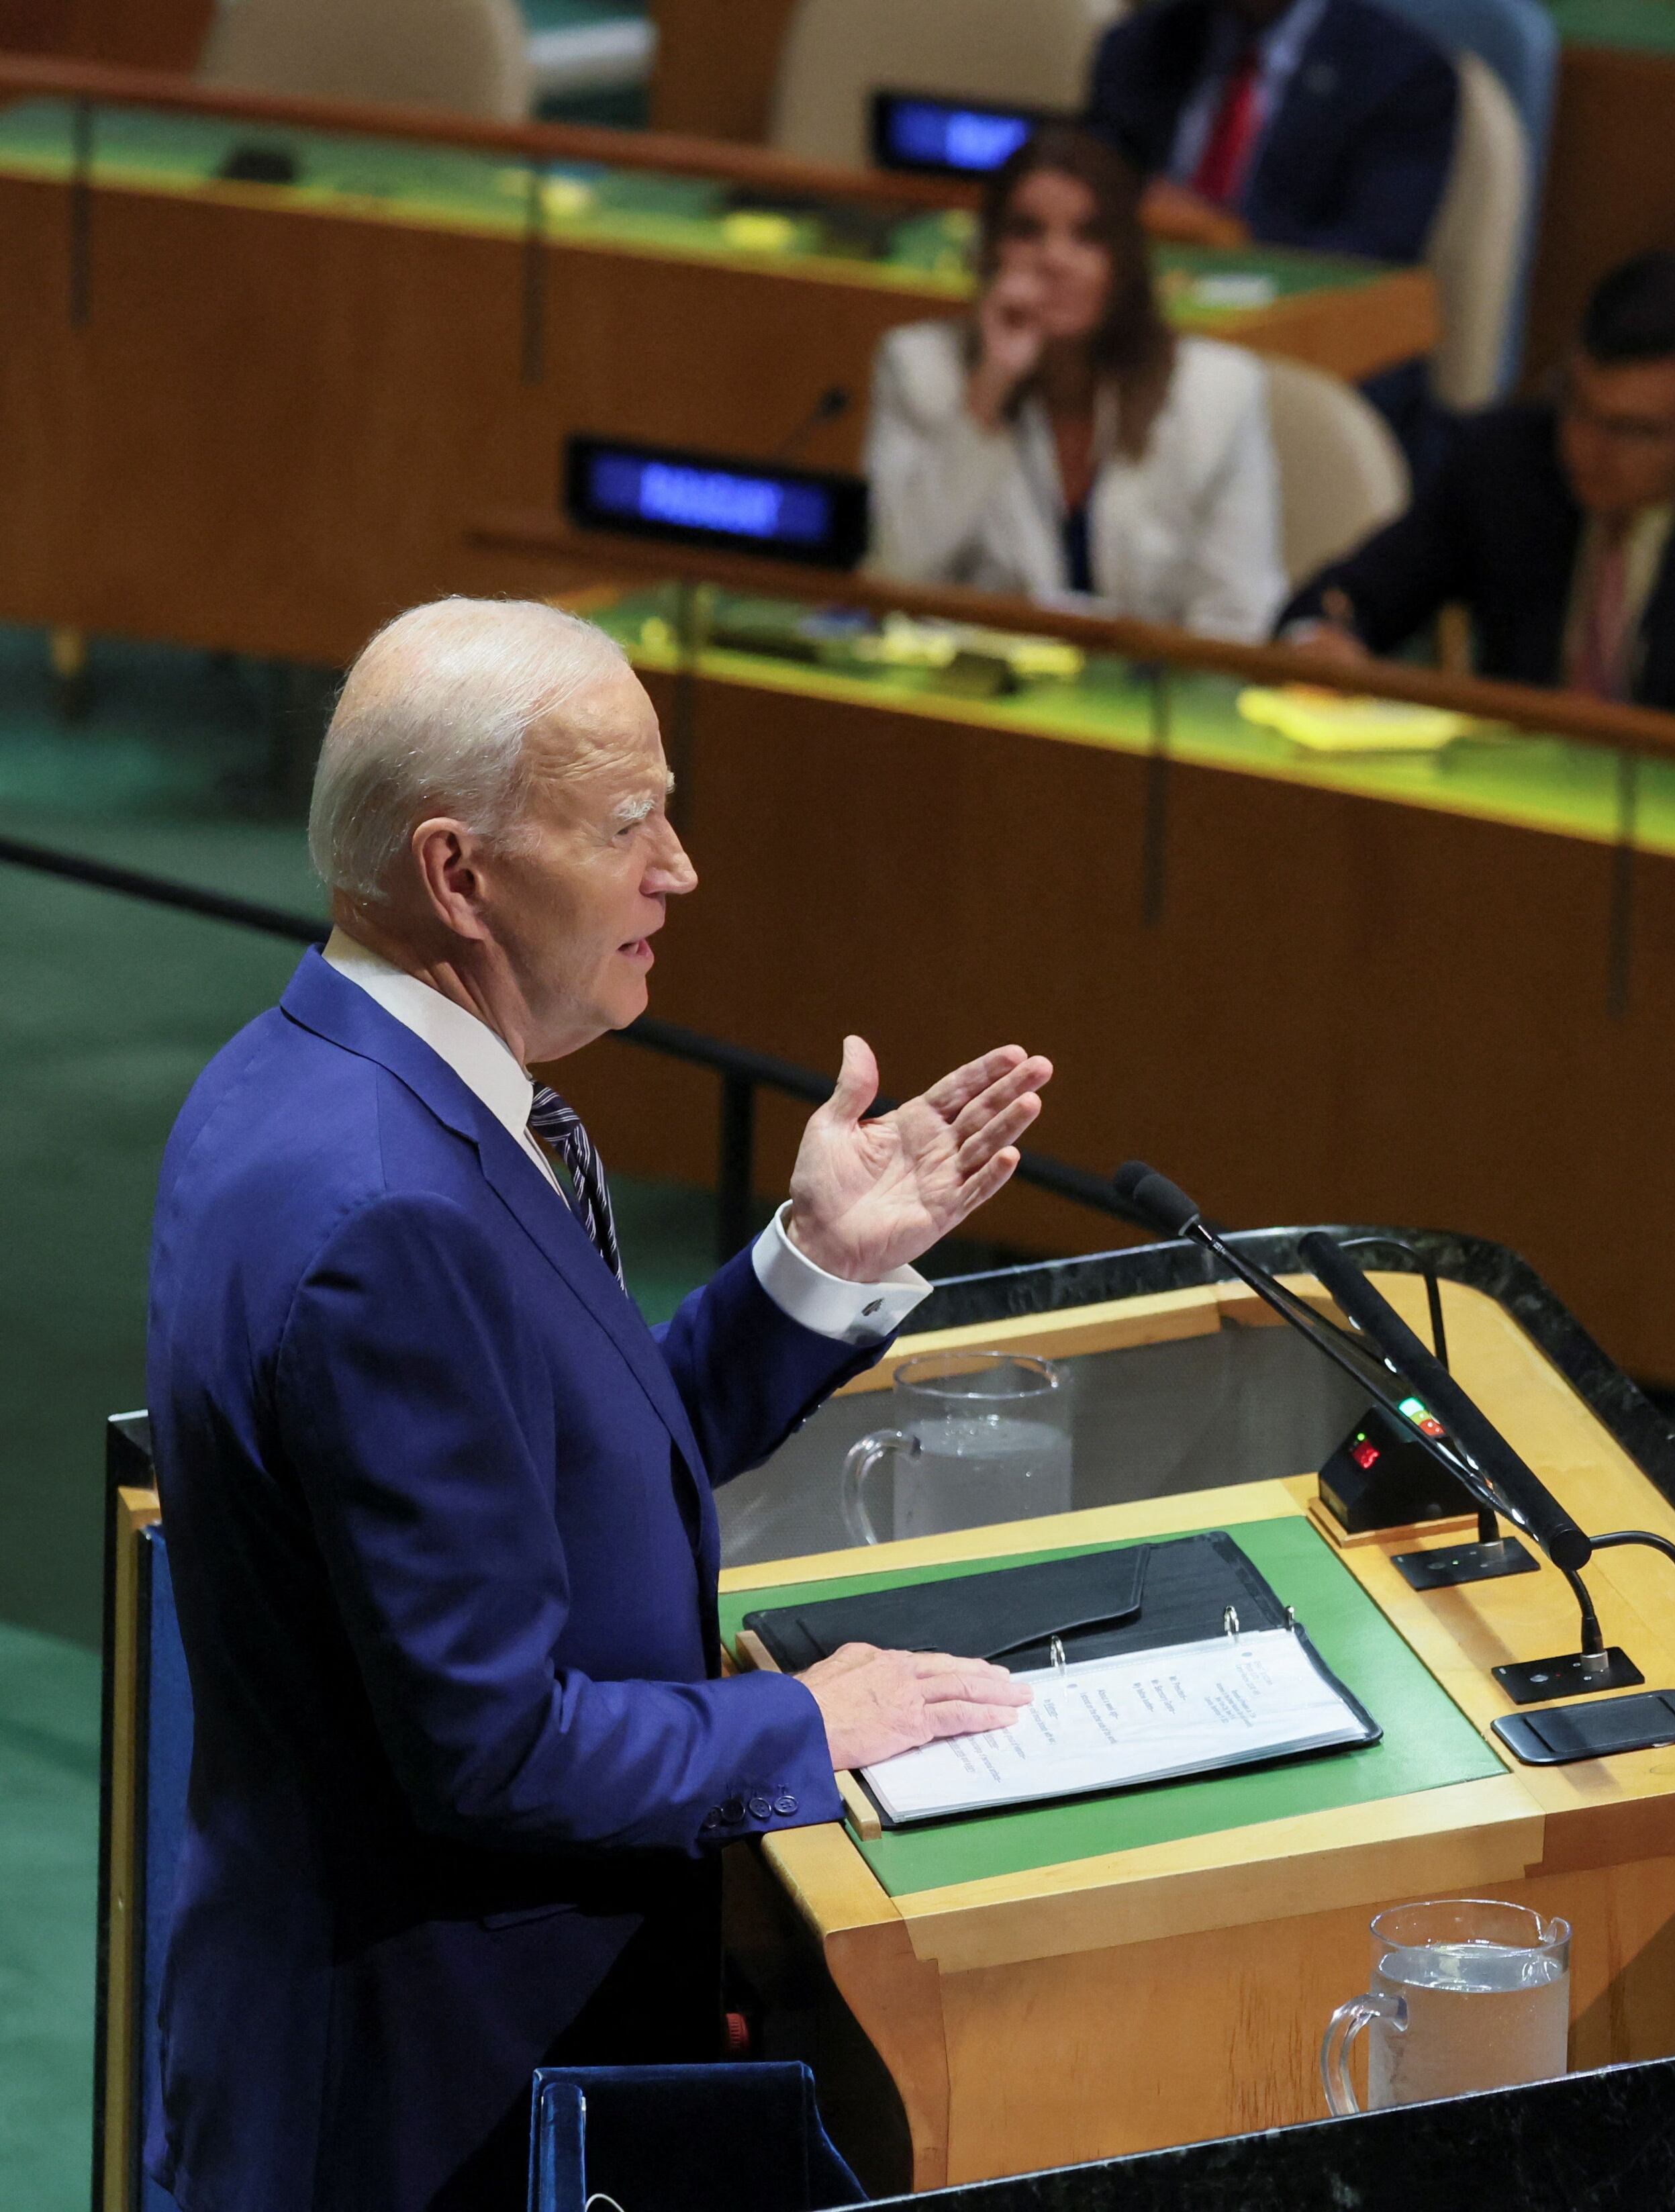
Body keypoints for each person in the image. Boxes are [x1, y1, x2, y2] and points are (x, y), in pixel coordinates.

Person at [146, 599, 1051, 2211]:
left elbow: (570, 1460)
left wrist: (816, 1262)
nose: (678, 870)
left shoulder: (309, 1077)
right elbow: (490, 1742)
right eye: (630, 824)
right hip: (423, 2101)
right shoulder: (389, 1210)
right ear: (459, 873)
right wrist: (807, 1721)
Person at [1282, 252, 1675, 750]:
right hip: (1513, 810)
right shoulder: (1508, 464)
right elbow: (1351, 594)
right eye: (1576, 407)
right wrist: (1324, 641)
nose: (1587, 447)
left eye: (1632, 431)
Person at [867, 127, 1282, 640]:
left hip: (1146, 704)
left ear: (1125, 260)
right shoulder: (921, 368)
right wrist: (989, 388)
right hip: (978, 693)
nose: (1054, 259)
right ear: (991, 249)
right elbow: (895, 577)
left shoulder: (1220, 391)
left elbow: (1237, 618)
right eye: (1027, 232)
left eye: (1087, 236)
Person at [1084, 0, 1457, 453]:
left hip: (1309, 356)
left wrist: (1221, 236)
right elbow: (1086, 194)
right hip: (1142, 330)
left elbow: (1373, 256)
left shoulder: (1403, 72)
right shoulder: (1140, 46)